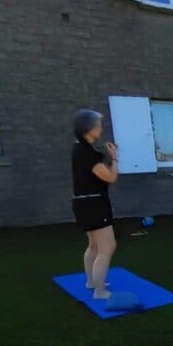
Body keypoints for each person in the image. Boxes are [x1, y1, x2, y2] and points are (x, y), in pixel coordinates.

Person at [71, 109, 118, 300]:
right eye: (98, 125)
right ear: (88, 128)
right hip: (94, 205)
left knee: (93, 245)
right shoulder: (89, 154)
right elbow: (111, 177)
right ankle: (99, 291)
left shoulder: (77, 149)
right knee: (107, 247)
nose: (101, 128)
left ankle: (91, 282)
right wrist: (114, 157)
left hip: (82, 203)